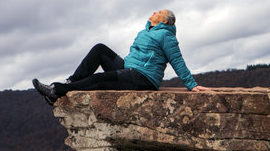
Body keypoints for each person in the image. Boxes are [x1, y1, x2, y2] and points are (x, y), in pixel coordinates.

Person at [32, 9, 210, 105]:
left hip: (142, 77)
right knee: (100, 49)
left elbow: (177, 60)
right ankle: (71, 82)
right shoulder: (145, 31)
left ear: (164, 20)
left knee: (100, 79)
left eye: (159, 12)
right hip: (128, 69)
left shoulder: (166, 36)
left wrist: (191, 84)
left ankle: (56, 91)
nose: (154, 12)